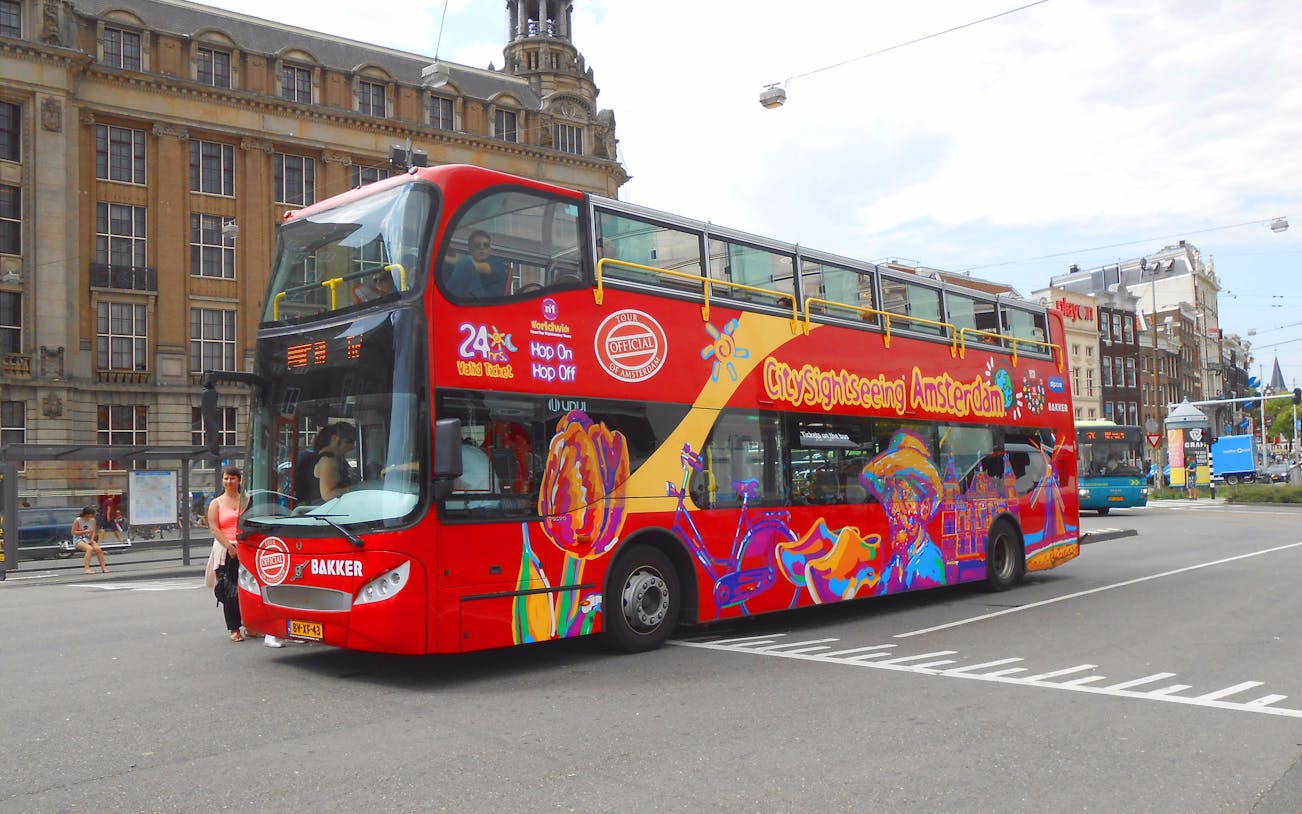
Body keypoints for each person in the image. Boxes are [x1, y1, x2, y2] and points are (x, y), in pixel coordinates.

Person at [205, 466, 249, 642]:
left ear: (239, 480)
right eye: (225, 478)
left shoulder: (246, 501)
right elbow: (214, 528)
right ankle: (234, 628)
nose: (228, 482)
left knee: (248, 590)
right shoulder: (217, 503)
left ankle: (251, 625)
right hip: (225, 551)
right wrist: (230, 547)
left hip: (246, 548)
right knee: (229, 590)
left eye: (232, 478)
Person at [445, 230, 508, 298]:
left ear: (490, 249)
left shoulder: (496, 261)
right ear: (470, 249)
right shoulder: (466, 265)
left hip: (488, 301)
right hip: (469, 297)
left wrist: (443, 258)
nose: (482, 247)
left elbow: (483, 268)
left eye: (486, 245)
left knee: (466, 262)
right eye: (477, 245)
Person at [314, 422, 357, 501]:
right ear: (334, 439)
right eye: (348, 441)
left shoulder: (319, 458)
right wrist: (357, 488)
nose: (352, 447)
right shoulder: (328, 460)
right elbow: (327, 494)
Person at [72, 506, 107, 574]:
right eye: (92, 514)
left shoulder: (93, 520)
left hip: (88, 538)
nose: (93, 516)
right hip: (79, 539)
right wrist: (84, 532)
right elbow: (73, 532)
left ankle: (104, 567)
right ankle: (87, 568)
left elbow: (93, 531)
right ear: (87, 514)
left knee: (98, 549)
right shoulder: (78, 520)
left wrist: (92, 539)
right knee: (89, 549)